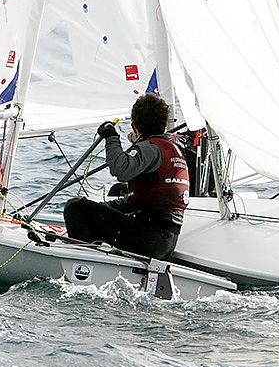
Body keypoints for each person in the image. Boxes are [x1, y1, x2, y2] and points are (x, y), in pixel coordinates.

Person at [63, 93, 190, 260]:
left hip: (150, 238)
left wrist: (111, 137)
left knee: (75, 207)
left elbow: (121, 169)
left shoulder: (150, 148)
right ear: (164, 125)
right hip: (164, 243)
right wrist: (100, 208)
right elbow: (136, 201)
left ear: (135, 126)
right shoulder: (174, 150)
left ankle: (83, 264)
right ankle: (92, 251)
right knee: (108, 199)